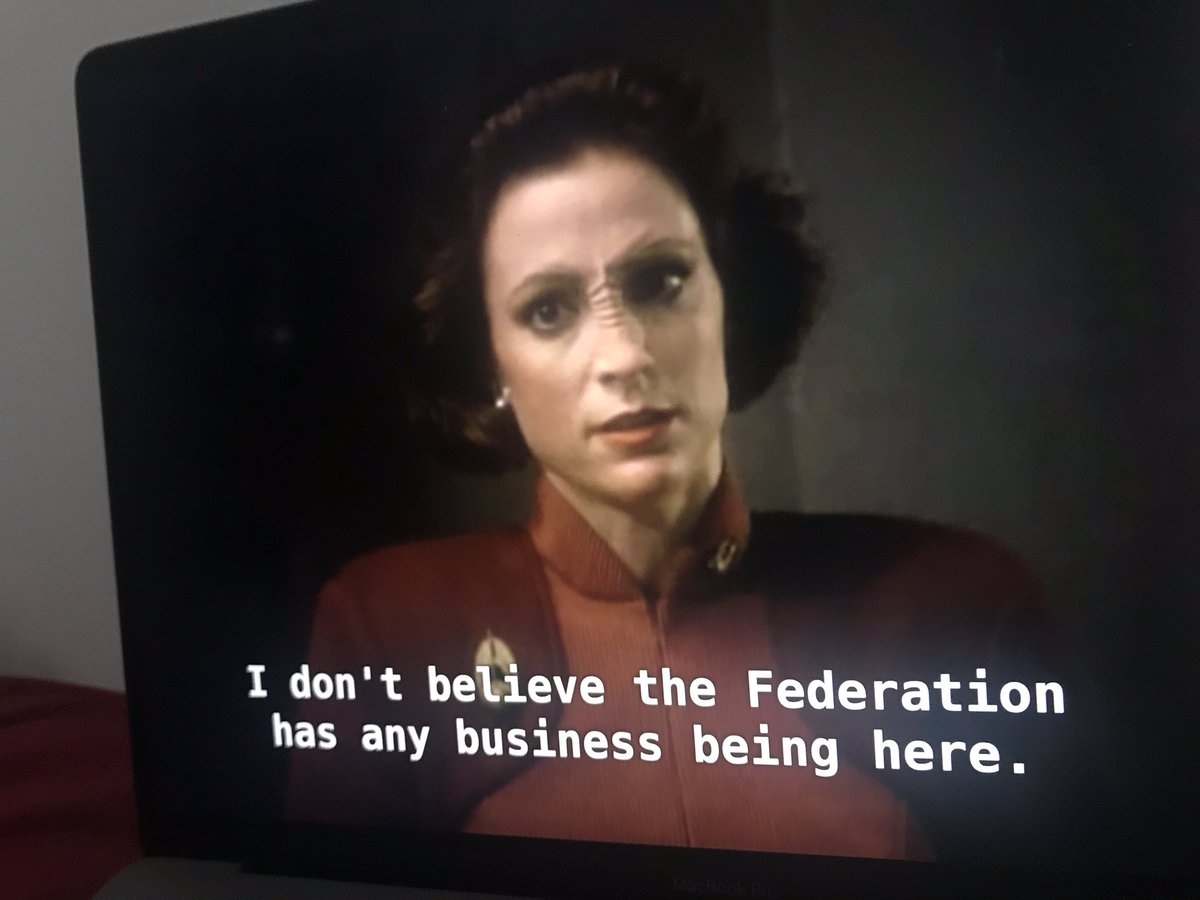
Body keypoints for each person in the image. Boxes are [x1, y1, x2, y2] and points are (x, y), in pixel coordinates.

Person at [288, 61, 1057, 862]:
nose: (624, 355)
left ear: (729, 297)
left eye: (660, 281)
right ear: (491, 368)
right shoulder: (389, 626)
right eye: (547, 310)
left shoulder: (951, 603)